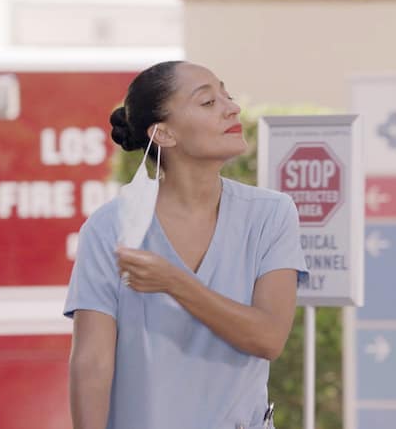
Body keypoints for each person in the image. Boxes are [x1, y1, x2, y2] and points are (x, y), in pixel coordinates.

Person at [63, 60, 307, 429]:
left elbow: (269, 338)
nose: (232, 107)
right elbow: (92, 365)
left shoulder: (271, 215)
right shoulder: (109, 228)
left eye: (225, 94)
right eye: (208, 102)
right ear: (163, 134)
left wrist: (173, 281)